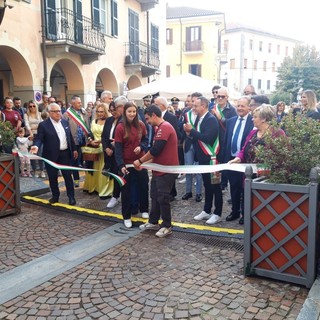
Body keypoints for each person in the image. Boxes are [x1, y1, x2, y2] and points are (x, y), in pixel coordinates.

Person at [229, 104, 286, 222]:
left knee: (263, 212)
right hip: (249, 178)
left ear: (263, 119)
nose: (252, 119)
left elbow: (283, 157)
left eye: (255, 117)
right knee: (248, 205)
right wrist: (238, 158)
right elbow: (244, 149)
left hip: (266, 180)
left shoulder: (278, 133)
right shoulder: (253, 133)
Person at [135, 105, 179, 238]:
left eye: (148, 118)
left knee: (163, 197)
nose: (147, 121)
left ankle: (167, 225)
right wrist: (145, 163)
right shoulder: (159, 128)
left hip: (166, 169)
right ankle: (153, 221)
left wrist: (140, 161)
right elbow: (156, 152)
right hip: (158, 168)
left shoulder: (165, 127)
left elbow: (156, 150)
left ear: (154, 115)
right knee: (154, 195)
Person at [184, 96, 222, 225]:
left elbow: (208, 138)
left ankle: (217, 213)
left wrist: (192, 131)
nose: (193, 108)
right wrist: (189, 133)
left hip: (212, 159)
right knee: (207, 185)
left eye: (196, 106)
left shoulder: (211, 119)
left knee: (215, 186)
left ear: (204, 106)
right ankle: (206, 210)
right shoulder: (200, 118)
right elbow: (197, 138)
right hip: (203, 158)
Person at [30, 103, 78, 205]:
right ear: (49, 113)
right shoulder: (43, 125)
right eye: (55, 111)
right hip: (51, 155)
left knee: (68, 177)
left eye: (59, 111)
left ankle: (71, 197)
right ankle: (55, 196)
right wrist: (36, 146)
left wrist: (74, 149)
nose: (58, 113)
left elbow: (69, 137)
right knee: (52, 177)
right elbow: (39, 138)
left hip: (65, 154)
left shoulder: (65, 122)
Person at [114, 101, 149, 228]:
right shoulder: (120, 127)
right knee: (126, 191)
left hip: (140, 162)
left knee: (143, 186)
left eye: (134, 111)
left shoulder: (141, 125)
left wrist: (141, 147)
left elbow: (146, 140)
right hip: (126, 164)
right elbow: (118, 148)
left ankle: (144, 209)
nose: (132, 114)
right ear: (125, 112)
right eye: (129, 111)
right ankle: (127, 216)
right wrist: (120, 165)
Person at [221, 96, 253, 225]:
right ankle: (235, 211)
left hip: (245, 162)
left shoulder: (253, 121)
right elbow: (226, 141)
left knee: (245, 189)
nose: (239, 108)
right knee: (233, 187)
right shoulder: (231, 121)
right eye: (238, 106)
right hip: (231, 160)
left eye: (243, 106)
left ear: (249, 107)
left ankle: (245, 214)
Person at [83, 103, 113, 198]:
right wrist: (91, 141)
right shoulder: (94, 121)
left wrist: (100, 141)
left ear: (106, 111)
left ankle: (104, 189)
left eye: (102, 111)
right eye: (98, 111)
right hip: (94, 150)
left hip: (105, 149)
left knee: (103, 169)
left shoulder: (110, 121)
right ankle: (94, 187)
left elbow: (110, 136)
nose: (100, 114)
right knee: (94, 169)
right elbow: (90, 134)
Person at [102, 96, 127, 209]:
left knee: (119, 174)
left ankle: (117, 196)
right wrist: (106, 148)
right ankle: (115, 195)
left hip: (119, 153)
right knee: (113, 173)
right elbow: (104, 136)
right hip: (109, 153)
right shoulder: (109, 120)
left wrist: (113, 148)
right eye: (111, 110)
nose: (113, 112)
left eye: (114, 109)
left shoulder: (125, 121)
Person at [154, 96, 181, 201]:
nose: (154, 106)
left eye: (156, 104)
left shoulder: (171, 117)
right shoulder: (156, 117)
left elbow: (176, 133)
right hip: (160, 149)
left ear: (163, 106)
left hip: (168, 148)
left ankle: (171, 193)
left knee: (169, 172)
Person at [211, 86, 237, 190]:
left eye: (222, 96)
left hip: (225, 140)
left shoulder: (232, 110)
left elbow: (232, 125)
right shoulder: (212, 108)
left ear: (227, 97)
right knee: (215, 161)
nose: (220, 98)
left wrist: (221, 118)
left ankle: (224, 183)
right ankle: (215, 181)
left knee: (224, 162)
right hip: (214, 140)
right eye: (218, 96)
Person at [63, 95, 91, 187]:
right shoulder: (67, 114)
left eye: (80, 102)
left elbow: (87, 125)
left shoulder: (84, 112)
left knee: (87, 160)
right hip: (74, 141)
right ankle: (76, 179)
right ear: (73, 104)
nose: (81, 104)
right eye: (79, 103)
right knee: (74, 161)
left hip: (85, 140)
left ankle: (89, 179)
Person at [181, 92, 203, 202]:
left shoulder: (202, 114)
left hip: (199, 144)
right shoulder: (186, 113)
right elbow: (182, 129)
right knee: (188, 168)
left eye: (195, 101)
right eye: (192, 101)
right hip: (189, 143)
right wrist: (186, 133)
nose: (193, 103)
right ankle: (188, 191)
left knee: (198, 170)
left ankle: (198, 192)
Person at [24, 100, 46, 178]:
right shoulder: (26, 115)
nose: (32, 107)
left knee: (40, 154)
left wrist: (34, 127)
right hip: (31, 136)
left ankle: (42, 170)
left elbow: (42, 124)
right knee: (33, 154)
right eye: (30, 106)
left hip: (40, 136)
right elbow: (27, 124)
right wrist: (31, 132)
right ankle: (36, 170)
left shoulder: (40, 114)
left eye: (33, 106)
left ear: (36, 106)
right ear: (28, 107)